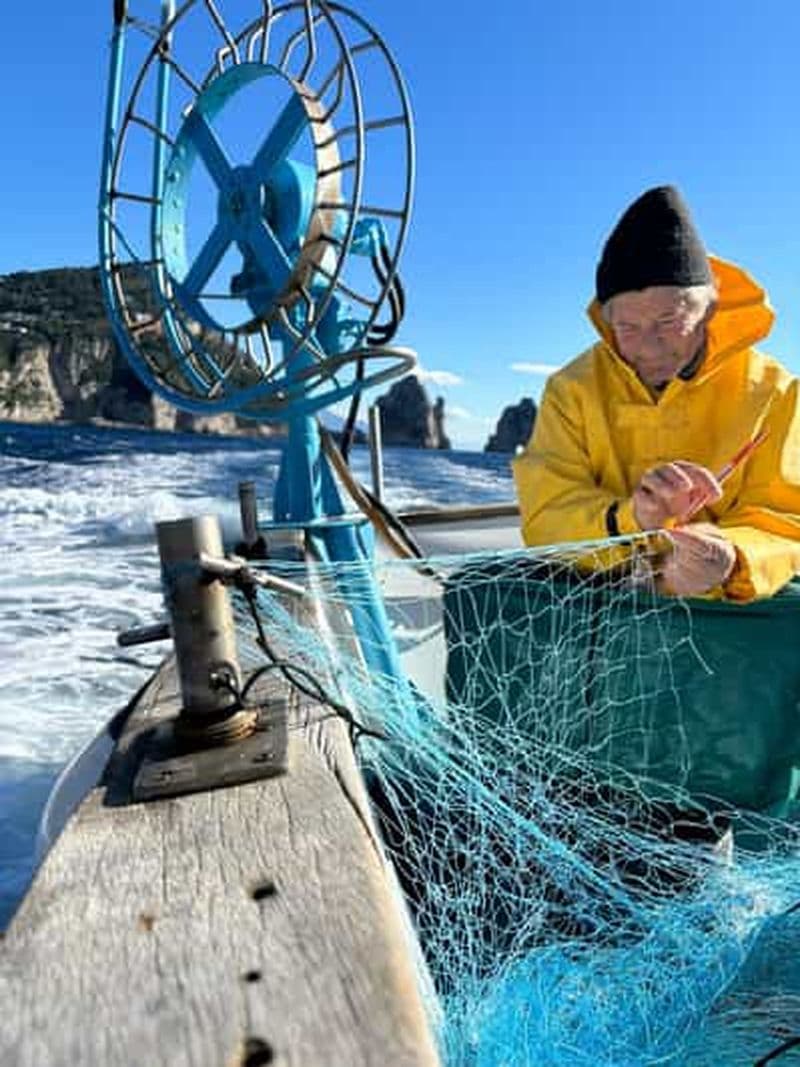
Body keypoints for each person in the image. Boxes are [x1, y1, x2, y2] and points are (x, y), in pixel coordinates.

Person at [513, 185, 800, 601]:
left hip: (729, 614)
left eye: (668, 321)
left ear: (709, 308)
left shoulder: (776, 392)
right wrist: (633, 518)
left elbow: (785, 520)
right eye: (628, 328)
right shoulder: (571, 389)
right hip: (602, 600)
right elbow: (546, 514)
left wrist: (732, 557)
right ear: (607, 322)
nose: (649, 348)